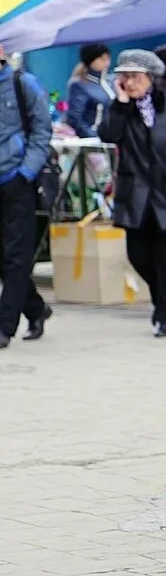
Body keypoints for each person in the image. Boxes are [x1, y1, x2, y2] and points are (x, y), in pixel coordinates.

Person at [98, 50, 166, 338]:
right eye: (124, 77)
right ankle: (163, 296)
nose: (129, 82)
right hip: (136, 198)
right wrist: (121, 104)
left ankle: (165, 317)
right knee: (138, 256)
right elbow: (108, 135)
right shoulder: (120, 109)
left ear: (151, 78)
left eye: (134, 76)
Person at [0, 43, 53, 350]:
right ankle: (35, 308)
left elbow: (42, 131)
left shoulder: (23, 84)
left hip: (17, 181)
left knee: (16, 256)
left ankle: (5, 327)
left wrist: (26, 172)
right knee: (3, 260)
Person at [66, 43, 114, 139]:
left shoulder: (112, 82)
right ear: (91, 60)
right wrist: (92, 135)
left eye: (108, 58)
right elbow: (75, 117)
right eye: (102, 59)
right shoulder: (80, 85)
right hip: (94, 140)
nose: (107, 63)